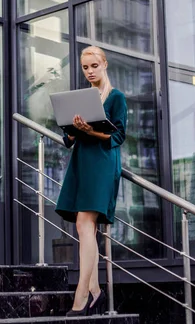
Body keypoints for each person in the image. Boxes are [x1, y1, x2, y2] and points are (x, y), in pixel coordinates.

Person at [55, 46, 127, 316]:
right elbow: (68, 140)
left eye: (94, 66)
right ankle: (95, 289)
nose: (90, 71)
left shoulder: (116, 97)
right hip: (82, 162)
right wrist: (75, 130)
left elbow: (118, 137)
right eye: (85, 67)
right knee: (84, 226)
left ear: (104, 64)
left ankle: (82, 294)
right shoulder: (82, 97)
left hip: (102, 163)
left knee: (84, 222)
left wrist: (91, 130)